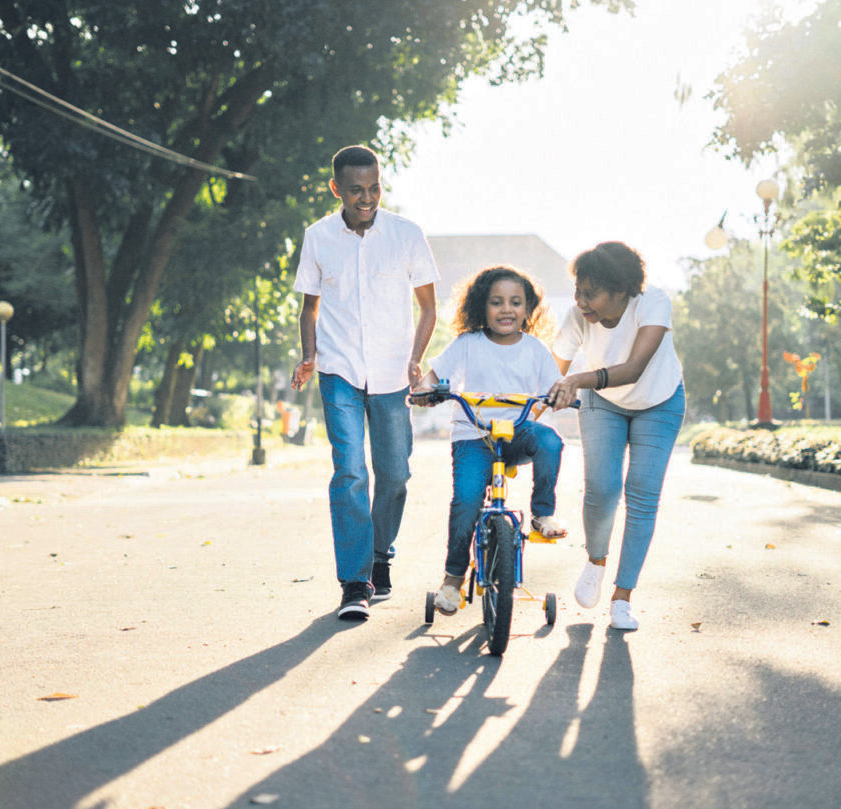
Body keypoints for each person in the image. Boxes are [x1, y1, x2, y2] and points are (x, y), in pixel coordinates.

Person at [290, 145, 439, 621]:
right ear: (336, 188)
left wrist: (415, 359)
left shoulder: (406, 234)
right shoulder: (318, 237)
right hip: (339, 371)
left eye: (374, 188)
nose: (367, 198)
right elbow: (309, 307)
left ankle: (380, 556)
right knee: (350, 471)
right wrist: (309, 356)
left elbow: (428, 307)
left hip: (393, 373)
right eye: (356, 190)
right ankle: (355, 582)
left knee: (394, 475)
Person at [547, 241, 685, 631]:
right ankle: (596, 561)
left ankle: (622, 598)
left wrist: (577, 380)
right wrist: (525, 414)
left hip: (659, 401)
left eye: (590, 293)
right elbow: (551, 374)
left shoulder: (652, 302)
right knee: (602, 487)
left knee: (642, 494)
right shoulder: (578, 316)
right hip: (602, 402)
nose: (580, 301)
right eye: (577, 290)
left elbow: (635, 368)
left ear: (621, 289)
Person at [413, 266, 566, 616]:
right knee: (467, 501)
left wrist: (561, 395)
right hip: (473, 435)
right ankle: (453, 579)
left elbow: (555, 386)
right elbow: (433, 377)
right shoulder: (468, 343)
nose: (506, 309)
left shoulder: (535, 349)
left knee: (551, 442)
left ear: (527, 309)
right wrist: (424, 390)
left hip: (517, 432)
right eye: (496, 302)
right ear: (482, 306)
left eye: (516, 302)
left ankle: (542, 514)